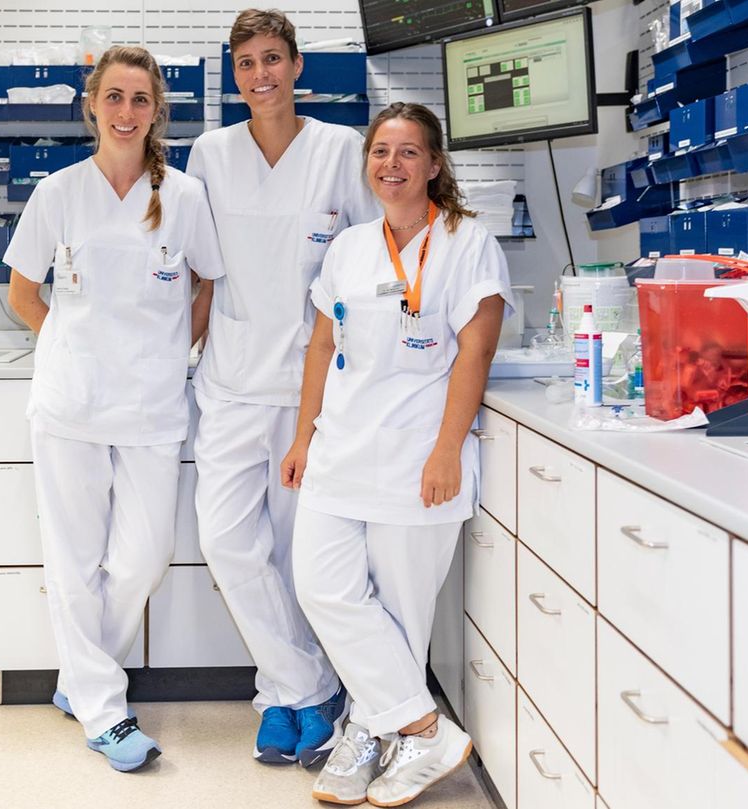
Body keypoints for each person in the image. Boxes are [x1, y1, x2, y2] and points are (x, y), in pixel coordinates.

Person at [282, 102, 511, 806]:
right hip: (341, 451)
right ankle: (421, 725)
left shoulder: (467, 241)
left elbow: (477, 346)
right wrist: (302, 434)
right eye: (381, 151)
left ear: (435, 165)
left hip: (419, 458)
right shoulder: (351, 246)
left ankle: (369, 734)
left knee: (403, 616)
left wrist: (448, 449)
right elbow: (322, 344)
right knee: (321, 585)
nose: (391, 164)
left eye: (408, 152)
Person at [4, 45, 225, 772]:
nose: (126, 112)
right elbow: (22, 293)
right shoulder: (58, 192)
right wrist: (72, 345)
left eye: (140, 99)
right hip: (71, 403)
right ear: (91, 105)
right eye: (114, 97)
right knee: (73, 558)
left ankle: (80, 674)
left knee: (142, 554)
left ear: (157, 110)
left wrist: (169, 353)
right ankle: (104, 708)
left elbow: (206, 287)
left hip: (154, 406)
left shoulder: (184, 196)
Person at [187, 8, 381, 768]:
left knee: (306, 552)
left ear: (298, 67)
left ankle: (282, 696)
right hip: (231, 381)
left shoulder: (342, 151)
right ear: (234, 77)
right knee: (227, 541)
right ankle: (306, 683)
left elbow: (371, 264)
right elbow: (198, 267)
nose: (260, 75)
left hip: (315, 389)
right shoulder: (210, 153)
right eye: (246, 64)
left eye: (273, 59)